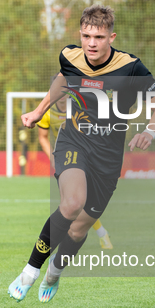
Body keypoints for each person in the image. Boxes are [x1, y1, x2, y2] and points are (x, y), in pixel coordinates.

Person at [8, 5, 155, 303]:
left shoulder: (130, 67)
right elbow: (62, 80)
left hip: (108, 159)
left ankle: (54, 273)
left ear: (111, 36)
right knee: (71, 204)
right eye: (86, 36)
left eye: (98, 36)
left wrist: (149, 131)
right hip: (73, 142)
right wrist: (38, 110)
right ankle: (30, 270)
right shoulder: (70, 56)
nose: (91, 43)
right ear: (80, 35)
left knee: (80, 227)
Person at [37, 96, 114, 250]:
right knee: (74, 202)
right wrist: (53, 156)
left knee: (77, 202)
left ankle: (98, 234)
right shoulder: (47, 113)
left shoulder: (80, 109)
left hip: (84, 157)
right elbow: (42, 138)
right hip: (64, 158)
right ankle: (101, 234)